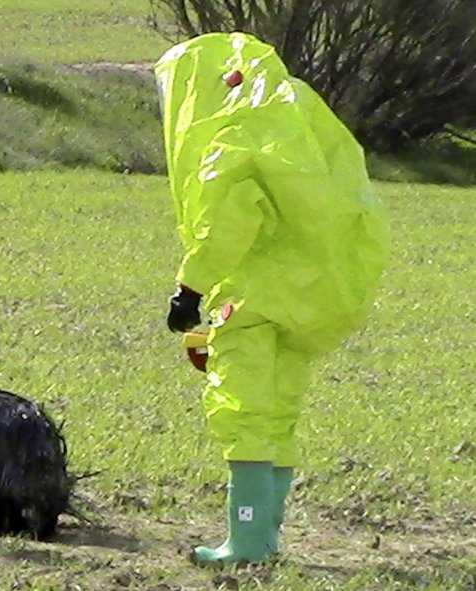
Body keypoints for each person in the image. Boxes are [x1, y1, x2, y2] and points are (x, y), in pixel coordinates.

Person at [153, 32, 390, 565]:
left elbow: (228, 220)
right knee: (280, 412)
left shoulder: (230, 138)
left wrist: (189, 289)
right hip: (315, 295)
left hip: (256, 299)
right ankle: (266, 535)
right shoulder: (294, 115)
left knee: (242, 410)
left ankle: (247, 541)